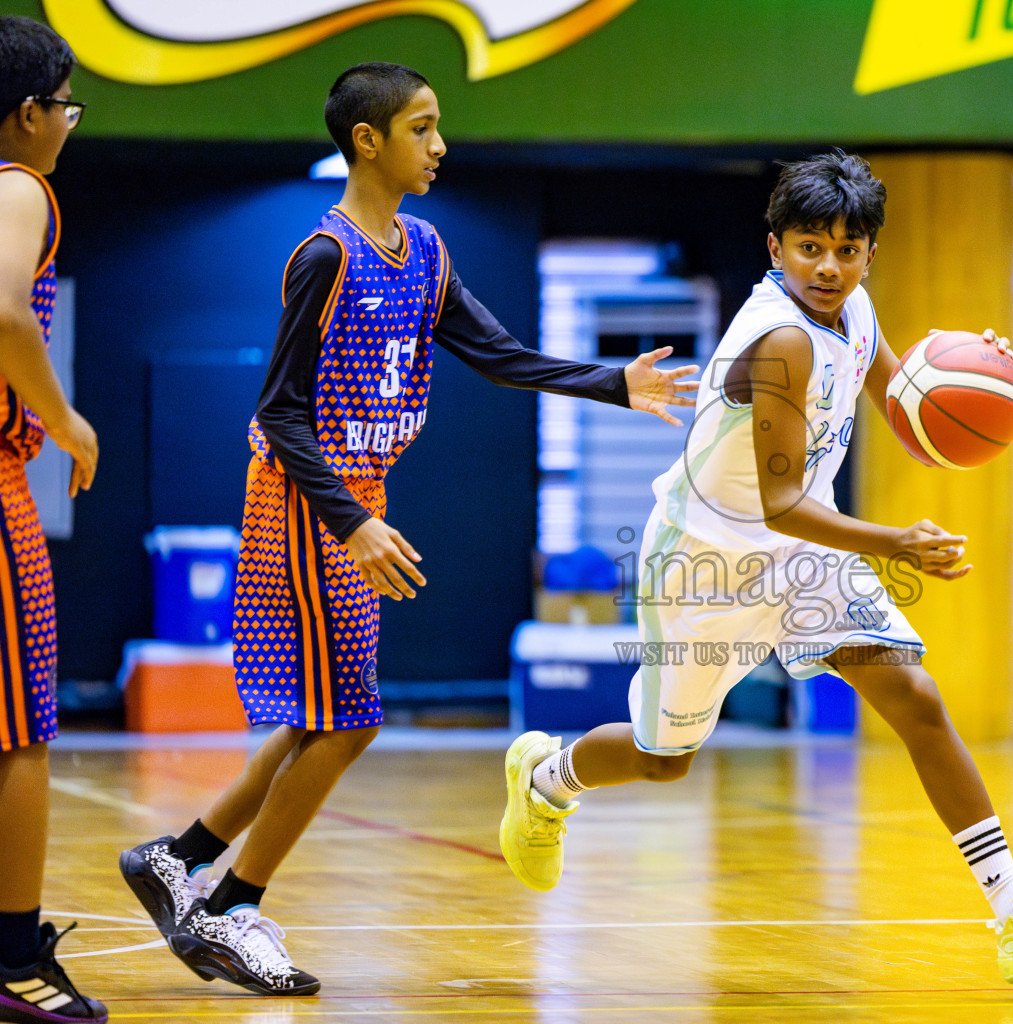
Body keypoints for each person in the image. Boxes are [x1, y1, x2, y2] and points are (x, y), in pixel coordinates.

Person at [118, 61, 698, 997]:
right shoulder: (324, 254)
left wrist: (613, 383)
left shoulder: (425, 249)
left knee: (327, 717)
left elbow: (498, 356)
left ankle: (179, 860)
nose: (440, 144)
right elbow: (282, 411)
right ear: (368, 141)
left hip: (358, 500)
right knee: (350, 721)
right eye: (422, 128)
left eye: (439, 127)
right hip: (308, 503)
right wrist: (349, 523)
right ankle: (229, 909)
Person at [499, 151, 1013, 984]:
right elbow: (779, 503)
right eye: (809, 247)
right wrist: (897, 543)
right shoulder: (782, 340)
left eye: (847, 248)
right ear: (774, 248)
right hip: (706, 565)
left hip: (803, 559)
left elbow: (906, 403)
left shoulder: (854, 307)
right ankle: (545, 780)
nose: (829, 266)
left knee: (917, 699)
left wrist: (975, 374)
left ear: (868, 254)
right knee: (664, 758)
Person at [0, 15, 106, 1024]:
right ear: (29, 113)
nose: (68, 127)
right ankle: (13, 955)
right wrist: (64, 417)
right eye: (67, 106)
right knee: (21, 733)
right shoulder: (19, 186)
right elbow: (3, 312)